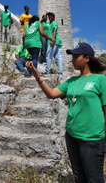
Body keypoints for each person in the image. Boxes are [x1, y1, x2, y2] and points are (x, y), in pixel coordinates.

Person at [25, 42, 106, 183]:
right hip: (72, 136)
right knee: (79, 177)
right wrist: (36, 75)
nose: (73, 59)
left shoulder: (101, 80)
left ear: (87, 58)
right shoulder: (72, 81)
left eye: (76, 56)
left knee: (94, 179)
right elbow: (51, 93)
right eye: (72, 57)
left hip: (92, 138)